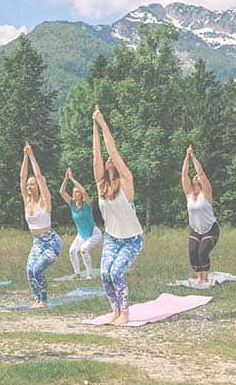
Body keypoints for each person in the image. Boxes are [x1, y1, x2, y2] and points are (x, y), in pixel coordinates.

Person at [92, 106, 144, 325]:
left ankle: (125, 312)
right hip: (113, 237)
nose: (110, 161)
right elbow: (97, 156)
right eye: (107, 162)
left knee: (116, 273)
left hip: (133, 239)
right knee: (104, 273)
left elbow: (112, 153)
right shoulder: (101, 186)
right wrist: (94, 127)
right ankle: (115, 311)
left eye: (112, 160)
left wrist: (103, 123)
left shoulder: (126, 183)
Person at [20, 141, 62, 308]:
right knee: (29, 271)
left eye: (33, 184)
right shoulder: (26, 200)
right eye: (28, 185)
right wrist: (24, 156)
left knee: (37, 270)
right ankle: (37, 299)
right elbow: (22, 178)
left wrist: (31, 156)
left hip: (51, 243)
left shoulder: (44, 202)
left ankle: (43, 300)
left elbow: (38, 177)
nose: (29, 186)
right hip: (37, 242)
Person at [181, 145, 220, 285]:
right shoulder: (189, 195)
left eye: (197, 176)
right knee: (193, 252)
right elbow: (184, 174)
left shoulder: (206, 193)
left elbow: (201, 173)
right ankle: (199, 277)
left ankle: (205, 278)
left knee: (202, 252)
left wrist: (193, 157)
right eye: (194, 176)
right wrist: (186, 157)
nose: (196, 176)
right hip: (196, 229)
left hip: (211, 228)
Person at [60, 167, 102, 280]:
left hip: (94, 233)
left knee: (83, 250)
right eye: (74, 192)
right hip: (81, 235)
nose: (76, 194)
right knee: (72, 251)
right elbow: (62, 192)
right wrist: (66, 178)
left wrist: (72, 179)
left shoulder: (87, 204)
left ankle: (89, 274)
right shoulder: (72, 204)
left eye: (77, 192)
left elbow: (83, 191)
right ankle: (77, 273)